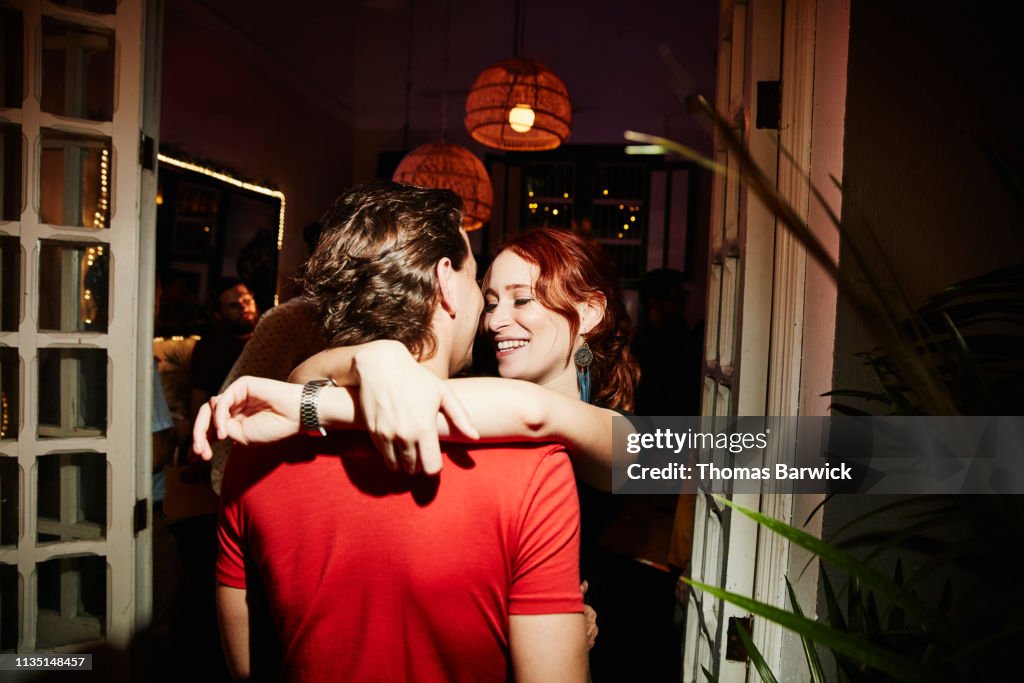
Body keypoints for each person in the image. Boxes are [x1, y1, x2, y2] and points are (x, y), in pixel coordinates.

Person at [209, 182, 589, 681]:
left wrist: (322, 394)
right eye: (481, 285)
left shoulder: (255, 455)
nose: (489, 316)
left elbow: (247, 666)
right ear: (447, 282)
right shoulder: (533, 469)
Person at [208, 222, 327, 495]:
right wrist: (229, 492)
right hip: (275, 482)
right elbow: (230, 410)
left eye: (246, 300)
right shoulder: (287, 321)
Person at [187, 277, 259, 423]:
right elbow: (198, 397)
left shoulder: (269, 336)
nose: (244, 308)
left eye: (247, 301)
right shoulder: (209, 346)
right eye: (234, 305)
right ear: (218, 314)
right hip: (226, 420)